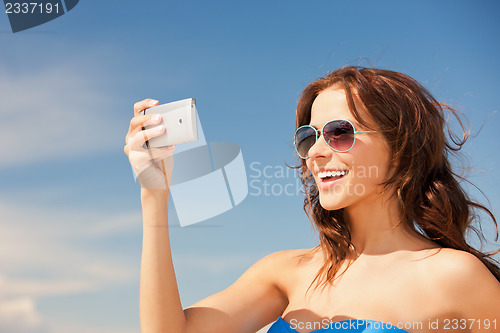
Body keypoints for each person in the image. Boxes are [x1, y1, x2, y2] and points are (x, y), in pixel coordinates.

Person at [124, 66, 500, 333]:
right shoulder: (284, 272)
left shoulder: (455, 277)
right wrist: (154, 195)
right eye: (309, 136)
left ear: (401, 150)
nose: (315, 153)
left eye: (339, 133)